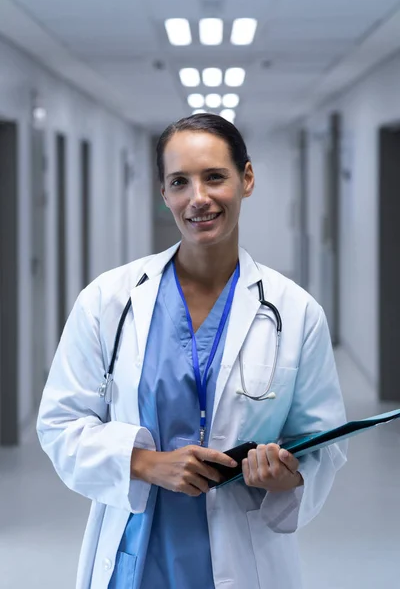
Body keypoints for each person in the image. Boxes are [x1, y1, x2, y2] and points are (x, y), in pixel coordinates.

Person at [37, 113, 347, 589]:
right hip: (136, 554)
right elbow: (60, 425)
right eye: (179, 181)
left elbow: (323, 443)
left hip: (245, 559)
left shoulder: (296, 311)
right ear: (164, 194)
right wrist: (145, 463)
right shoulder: (109, 300)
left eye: (215, 177)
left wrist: (288, 477)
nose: (198, 198)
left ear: (246, 179)